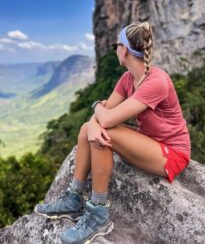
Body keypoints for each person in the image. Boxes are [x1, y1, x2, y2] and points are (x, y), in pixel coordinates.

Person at [35, 21, 191, 244]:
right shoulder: (128, 79)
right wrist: (95, 119)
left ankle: (99, 214)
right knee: (86, 129)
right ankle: (73, 198)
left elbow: (105, 117)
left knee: (104, 135)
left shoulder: (157, 82)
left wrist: (96, 106)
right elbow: (102, 116)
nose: (115, 49)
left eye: (115, 45)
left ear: (124, 49)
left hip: (172, 155)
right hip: (149, 143)